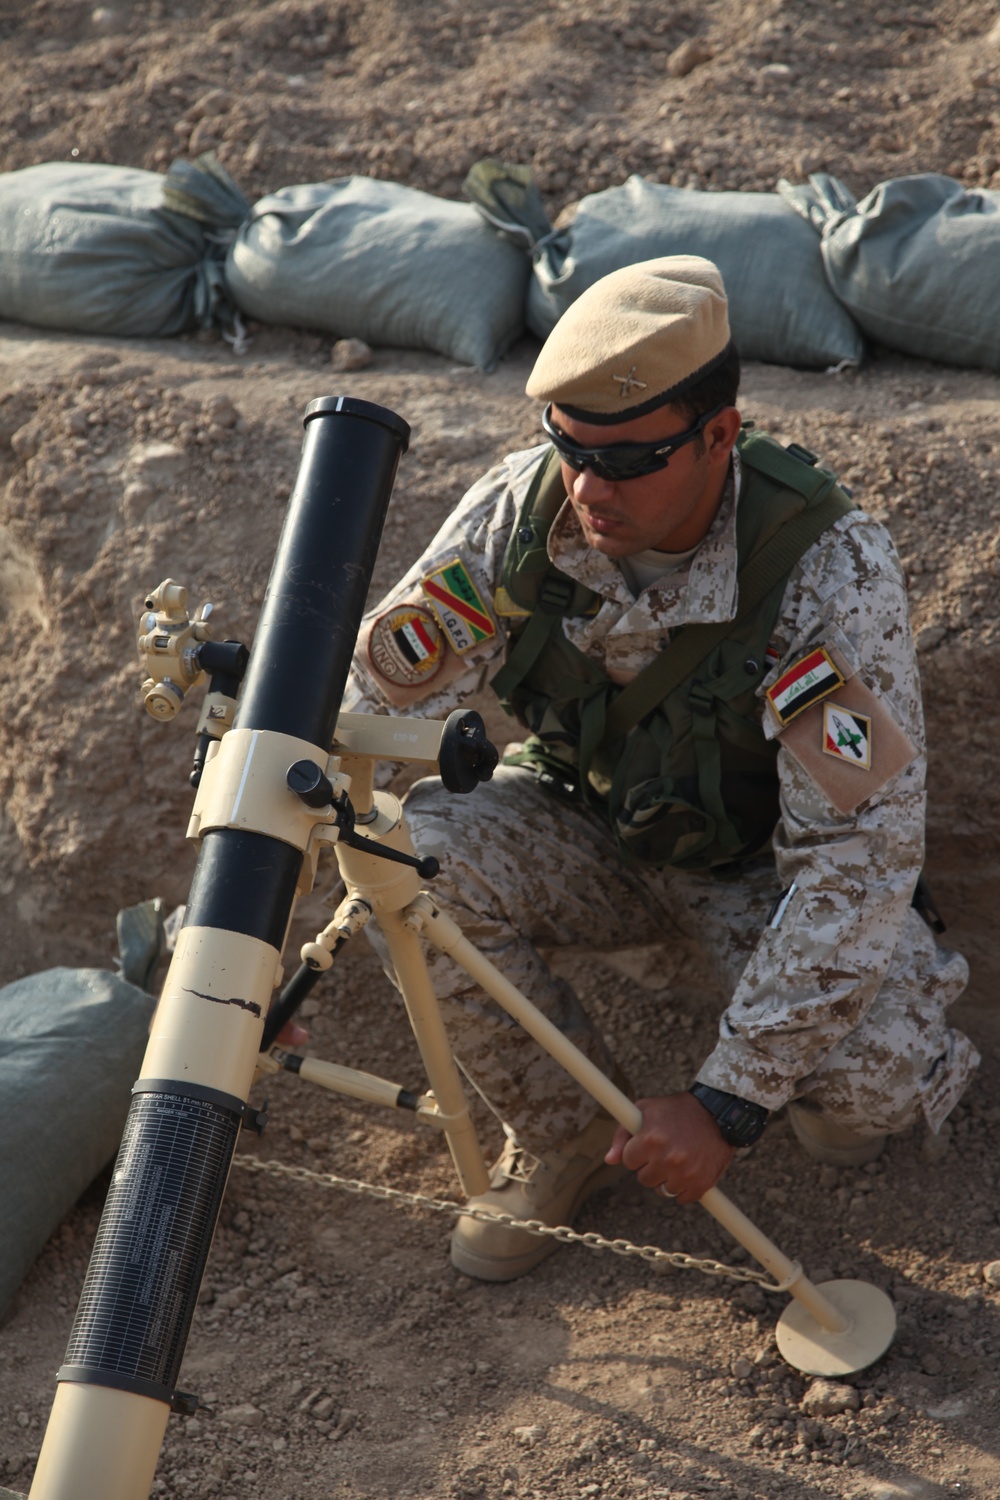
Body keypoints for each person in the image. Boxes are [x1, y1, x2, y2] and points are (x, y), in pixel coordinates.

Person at [341, 255, 978, 1282]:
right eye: (568, 449)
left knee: (874, 1084)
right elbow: (372, 704)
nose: (589, 489)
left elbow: (859, 855)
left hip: (754, 877)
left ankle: (789, 1072)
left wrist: (728, 1101)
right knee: (407, 861)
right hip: (585, 831)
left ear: (718, 435)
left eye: (630, 461)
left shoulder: (824, 567)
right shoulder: (522, 515)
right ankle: (561, 1138)